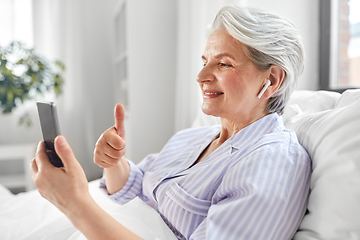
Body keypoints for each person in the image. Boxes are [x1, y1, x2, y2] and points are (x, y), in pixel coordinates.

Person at [30, 5, 311, 240]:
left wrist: (75, 204)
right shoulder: (193, 138)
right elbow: (135, 188)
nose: (201, 76)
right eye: (204, 61)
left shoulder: (271, 163)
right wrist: (115, 162)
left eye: (223, 64)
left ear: (271, 80)